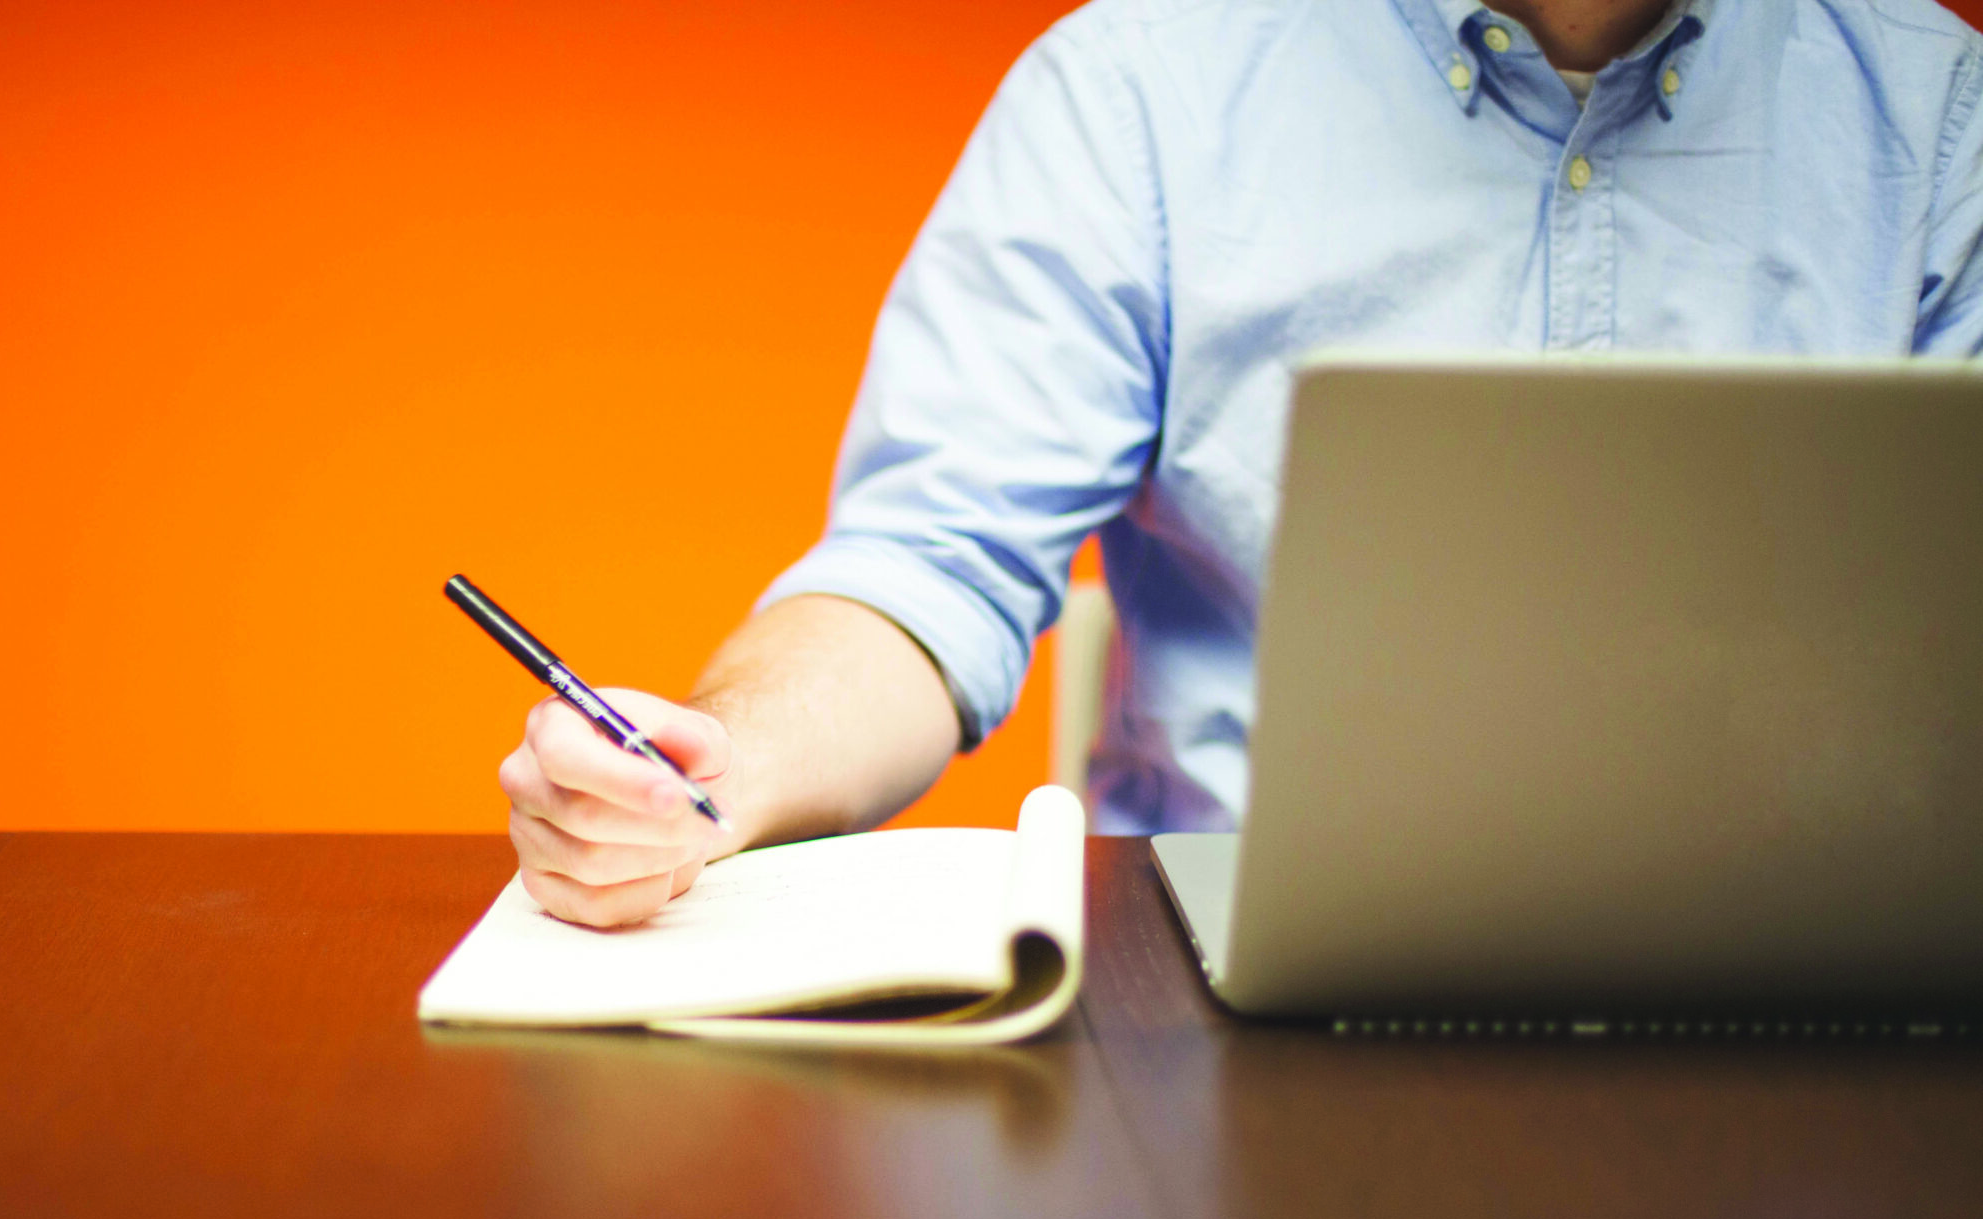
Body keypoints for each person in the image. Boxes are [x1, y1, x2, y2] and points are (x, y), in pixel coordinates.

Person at [499, 0, 1983, 928]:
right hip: (1223, 1034)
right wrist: (719, 763)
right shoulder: (1137, 88)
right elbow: (925, 569)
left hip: (1818, 1009)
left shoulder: (1940, 114)